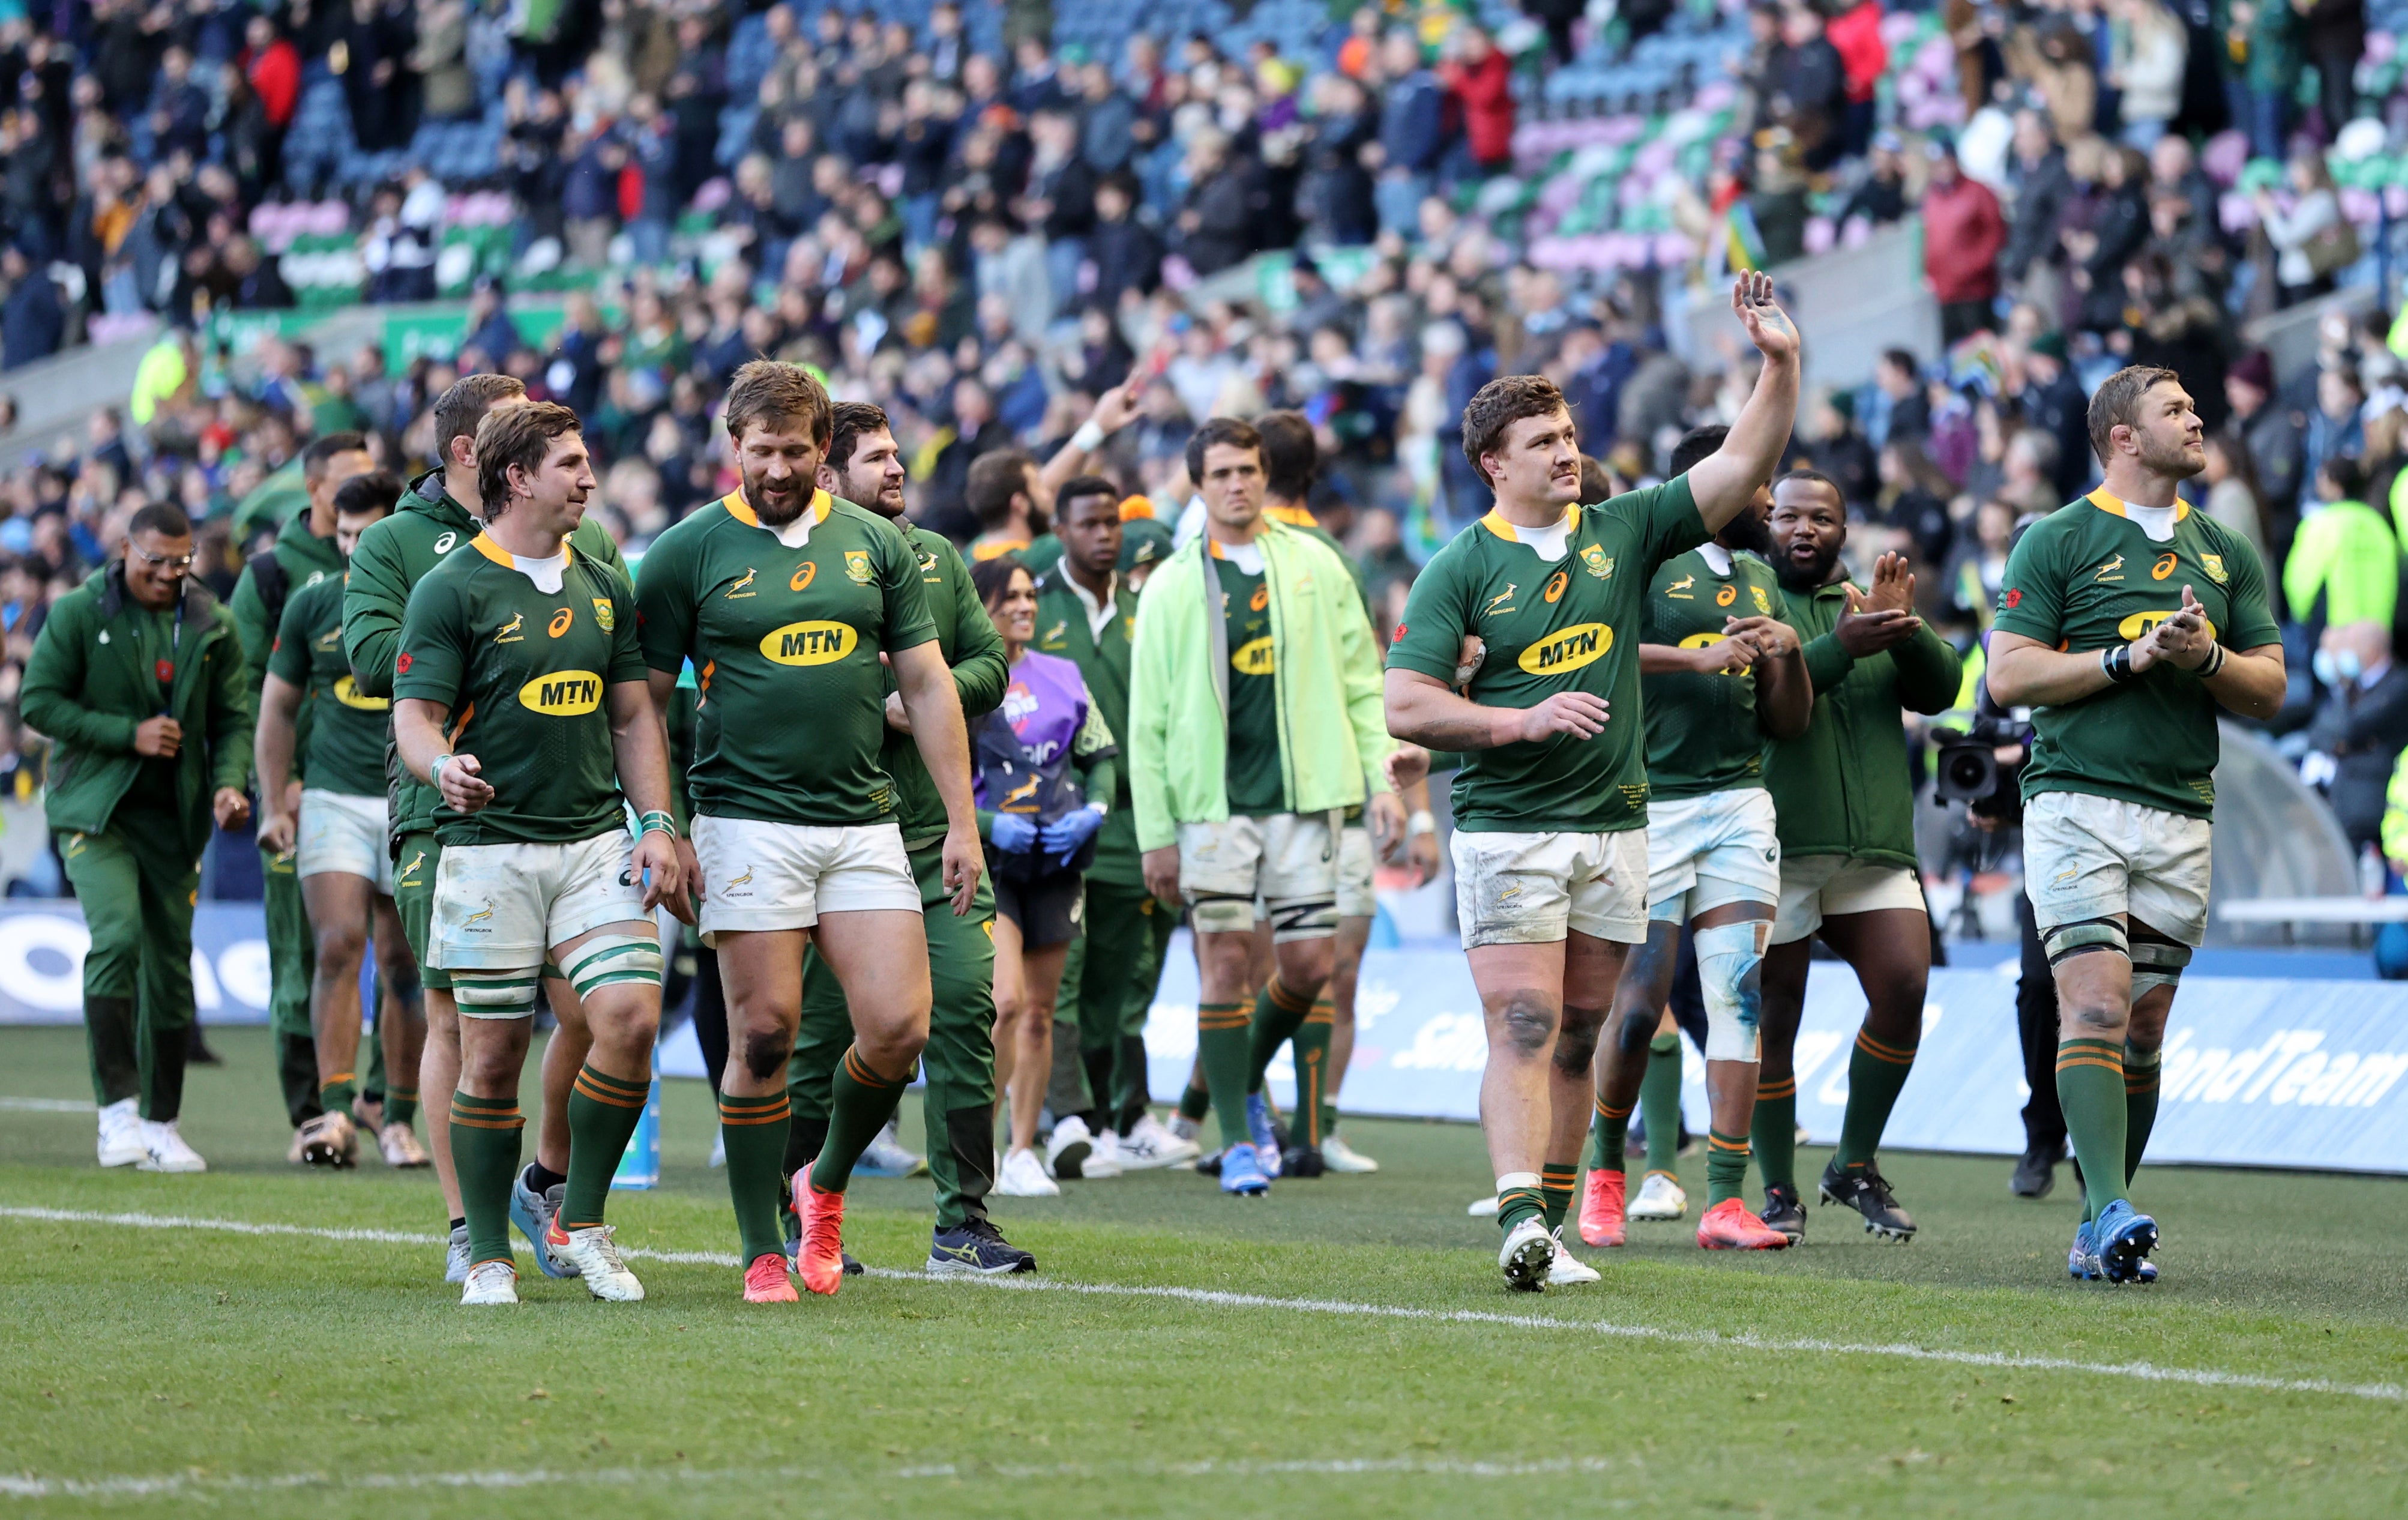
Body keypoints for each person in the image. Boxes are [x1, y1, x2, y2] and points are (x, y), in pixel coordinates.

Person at [1383, 273, 1804, 1289]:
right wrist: (1519, 719)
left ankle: (1554, 1221)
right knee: (1524, 1023)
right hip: (1508, 823)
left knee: (1581, 1030)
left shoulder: (1623, 531)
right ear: (1493, 465)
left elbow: (1744, 459)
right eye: (1542, 442)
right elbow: (1406, 705)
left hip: (1618, 825)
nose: (1567, 451)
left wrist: (1778, 363)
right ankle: (1521, 1215)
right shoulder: (1458, 568)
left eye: (1568, 435)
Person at [636, 361, 983, 1302]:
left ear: (821, 449)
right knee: (765, 1035)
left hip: (863, 821)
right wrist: (660, 825)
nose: (779, 467)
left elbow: (926, 683)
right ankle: (759, 1246)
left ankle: (821, 1183)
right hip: (746, 826)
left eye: (796, 449)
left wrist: (961, 820)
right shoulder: (686, 551)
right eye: (762, 450)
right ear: (733, 448)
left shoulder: (877, 546)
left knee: (900, 1029)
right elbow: (642, 705)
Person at [1987, 365, 2286, 1283]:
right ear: (2123, 435)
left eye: (2194, 408)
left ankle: (2094, 1219)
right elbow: (2009, 676)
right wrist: (2127, 657)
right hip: (2075, 801)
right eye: (2176, 410)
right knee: (2098, 1004)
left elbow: (2271, 688)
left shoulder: (2228, 549)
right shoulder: (2057, 539)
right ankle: (2113, 1205)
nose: (2197, 420)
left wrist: (2202, 658)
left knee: (2145, 1030)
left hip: (2179, 810)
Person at [392, 400, 685, 1307]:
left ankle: (581, 1222)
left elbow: (634, 713)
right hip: (488, 852)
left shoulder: (604, 580)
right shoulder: (451, 589)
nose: (589, 479)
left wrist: (658, 824)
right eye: (571, 464)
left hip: (596, 841)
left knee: (630, 1020)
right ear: (517, 477)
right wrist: (441, 769)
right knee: (491, 1058)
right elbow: (414, 718)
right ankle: (485, 1252)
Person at [345, 373, 633, 1283]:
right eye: (521, 424)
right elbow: (376, 664)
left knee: (594, 1012)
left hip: (576, 812)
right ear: (480, 453)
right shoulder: (400, 547)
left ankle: (545, 1179)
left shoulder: (589, 547)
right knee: (463, 1025)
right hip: (448, 813)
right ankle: (470, 1226)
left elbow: (625, 676)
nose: (582, 475)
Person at [783, 400, 1034, 1275]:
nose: (897, 469)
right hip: (823, 837)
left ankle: (963, 1222)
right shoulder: (786, 562)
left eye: (898, 456)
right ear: (827, 473)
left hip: (932, 837)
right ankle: (803, 1206)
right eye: (877, 458)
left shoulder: (933, 558)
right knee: (815, 1036)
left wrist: (923, 696)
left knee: (972, 1008)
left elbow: (990, 666)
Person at [1127, 416, 1401, 1197]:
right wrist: (1157, 835)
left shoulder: (1316, 564)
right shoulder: (1175, 584)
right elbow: (1146, 722)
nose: (1238, 484)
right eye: (1220, 474)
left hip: (1305, 802)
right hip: (1211, 810)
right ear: (1202, 485)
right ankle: (1243, 1139)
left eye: (1247, 469)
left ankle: (1236, 1078)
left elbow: (1360, 681)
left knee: (1309, 967)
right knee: (1222, 970)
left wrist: (1382, 782)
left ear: (1262, 473)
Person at [1580, 424, 1811, 1253]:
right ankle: (1605, 1176)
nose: (1769, 499)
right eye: (1758, 482)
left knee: (1737, 999)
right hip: (1654, 807)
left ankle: (1724, 1200)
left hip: (1742, 803)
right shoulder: (1644, 562)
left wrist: (1788, 654)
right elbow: (1600, 657)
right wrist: (1701, 657)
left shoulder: (1759, 574)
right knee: (1639, 1010)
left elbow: (1789, 720)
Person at [1753, 470, 1962, 1244]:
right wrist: (1839, 646)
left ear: (1845, 531)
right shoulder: (1751, 598)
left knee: (1906, 983)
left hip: (1874, 844)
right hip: (1777, 844)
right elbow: (1765, 704)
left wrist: (1901, 626)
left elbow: (1943, 689)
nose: (1803, 529)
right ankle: (1777, 1188)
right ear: (1764, 523)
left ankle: (1852, 1163)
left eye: (1822, 518)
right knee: (1775, 1018)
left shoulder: (1869, 600)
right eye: (1786, 517)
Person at [23, 502, 253, 1175]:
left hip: (174, 821)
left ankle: (160, 1122)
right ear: (125, 549)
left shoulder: (214, 623)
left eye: (180, 564)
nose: (166, 575)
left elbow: (235, 720)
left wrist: (229, 784)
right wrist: (127, 735)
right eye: (154, 561)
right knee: (117, 937)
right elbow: (38, 702)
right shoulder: (77, 613)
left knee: (173, 976)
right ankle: (115, 1113)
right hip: (96, 812)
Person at [1244, 409, 1424, 1175]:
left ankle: (1272, 1122)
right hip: (1313, 798)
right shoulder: (1321, 558)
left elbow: (1363, 680)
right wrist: (1407, 807)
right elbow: (1373, 680)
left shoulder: (1296, 557)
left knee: (1268, 971)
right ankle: (1290, 1123)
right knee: (1320, 972)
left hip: (1264, 797)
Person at [254, 471, 427, 1170]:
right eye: (346, 535)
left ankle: (397, 1117)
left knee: (404, 963)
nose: (355, 549)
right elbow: (277, 709)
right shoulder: (312, 605)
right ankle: (332, 1113)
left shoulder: (434, 600)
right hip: (332, 796)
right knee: (337, 944)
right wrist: (273, 800)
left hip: (411, 796)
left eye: (368, 535)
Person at [1032, 477, 1199, 1172]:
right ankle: (1069, 1118)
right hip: (1053, 819)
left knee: (1120, 979)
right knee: (1061, 977)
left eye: (1112, 523)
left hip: (1136, 820)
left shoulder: (1150, 607)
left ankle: (1118, 1117)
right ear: (1061, 530)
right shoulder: (1034, 608)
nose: (1104, 535)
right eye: (1089, 523)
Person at [229, 429, 373, 1159]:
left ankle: (378, 1100)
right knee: (310, 948)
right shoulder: (272, 577)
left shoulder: (399, 557)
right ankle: (310, 1111)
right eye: (352, 476)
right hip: (303, 789)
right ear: (316, 489)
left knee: (410, 957)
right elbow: (247, 687)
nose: (366, 483)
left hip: (389, 785)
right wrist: (270, 784)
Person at [972, 555, 1120, 1195]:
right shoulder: (958, 683)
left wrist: (1093, 809)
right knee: (1003, 1003)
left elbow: (1100, 758)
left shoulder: (1064, 676)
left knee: (1039, 1012)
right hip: (992, 863)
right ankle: (984, 1147)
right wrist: (984, 824)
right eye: (1011, 598)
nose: (1026, 607)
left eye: (1031, 595)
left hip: (1057, 860)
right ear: (980, 608)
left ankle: (1023, 1150)